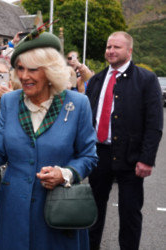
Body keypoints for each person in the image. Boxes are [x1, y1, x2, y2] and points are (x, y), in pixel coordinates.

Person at [0, 31, 98, 250]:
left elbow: (88, 156)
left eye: (33, 69)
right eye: (20, 68)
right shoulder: (9, 101)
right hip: (14, 210)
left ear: (51, 71)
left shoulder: (77, 104)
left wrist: (65, 173)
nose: (24, 76)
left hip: (58, 213)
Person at [85, 31, 163, 250]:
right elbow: (88, 118)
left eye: (116, 47)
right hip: (98, 154)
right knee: (93, 213)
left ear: (129, 51)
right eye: (109, 47)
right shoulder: (97, 80)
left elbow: (154, 123)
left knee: (129, 214)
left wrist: (147, 159)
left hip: (131, 158)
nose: (111, 51)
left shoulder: (146, 79)